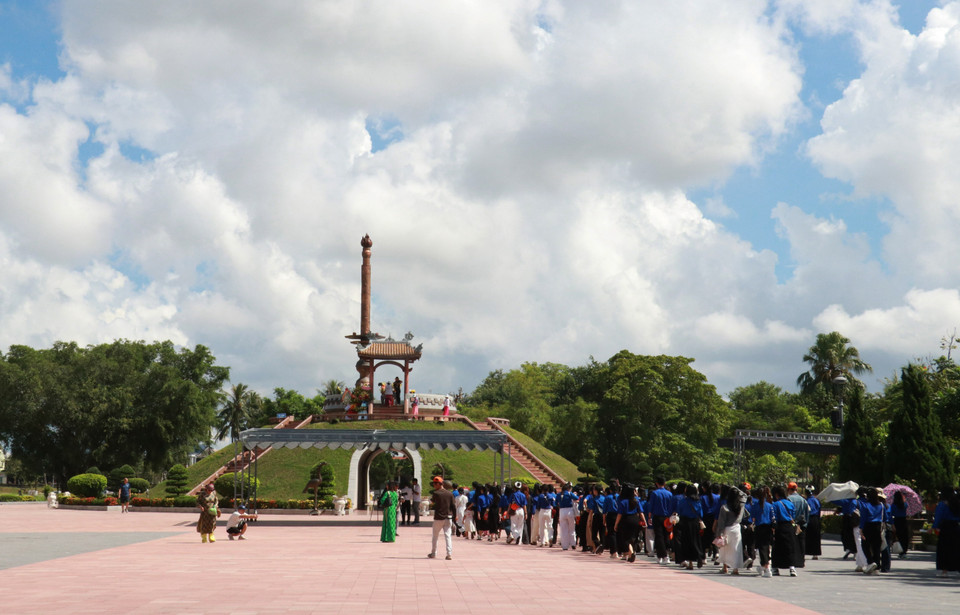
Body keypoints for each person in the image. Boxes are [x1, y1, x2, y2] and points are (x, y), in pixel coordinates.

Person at [715, 487, 746, 574]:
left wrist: (719, 533)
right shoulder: (741, 506)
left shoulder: (724, 507)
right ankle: (735, 569)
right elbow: (744, 495)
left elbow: (721, 522)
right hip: (736, 528)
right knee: (736, 548)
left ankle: (725, 567)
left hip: (727, 529)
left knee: (725, 548)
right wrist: (735, 488)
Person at [933, 486, 960, 577]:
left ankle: (944, 571)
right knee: (955, 549)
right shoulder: (957, 503)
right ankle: (956, 569)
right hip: (955, 527)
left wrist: (934, 527)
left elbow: (938, 517)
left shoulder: (942, 504)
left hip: (945, 528)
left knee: (944, 550)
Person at [770, 485, 797, 576]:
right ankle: (792, 568)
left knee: (777, 548)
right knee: (790, 547)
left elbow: (774, 517)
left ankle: (775, 568)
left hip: (779, 527)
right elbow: (793, 515)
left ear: (776, 494)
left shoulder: (775, 504)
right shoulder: (790, 503)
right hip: (789, 527)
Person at [676, 483, 704, 570]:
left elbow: (679, 511)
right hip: (695, 522)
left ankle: (691, 563)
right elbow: (701, 513)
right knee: (696, 540)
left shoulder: (683, 501)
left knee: (687, 542)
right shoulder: (698, 501)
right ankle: (700, 557)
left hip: (685, 522)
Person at [428, 477, 456, 560]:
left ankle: (433, 553)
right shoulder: (450, 494)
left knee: (435, 536)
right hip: (448, 517)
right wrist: (455, 515)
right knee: (448, 536)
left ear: (441, 484)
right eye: (434, 483)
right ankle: (449, 554)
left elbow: (432, 502)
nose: (434, 485)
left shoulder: (436, 493)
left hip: (438, 518)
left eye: (436, 483)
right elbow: (453, 506)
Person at [858, 487, 885, 574]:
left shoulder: (866, 505)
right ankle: (877, 566)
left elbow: (863, 518)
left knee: (865, 545)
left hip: (868, 526)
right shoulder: (881, 505)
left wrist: (861, 528)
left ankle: (870, 562)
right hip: (877, 526)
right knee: (876, 547)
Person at [648, 477, 674, 565]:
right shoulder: (669, 494)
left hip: (657, 516)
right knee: (666, 536)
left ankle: (662, 556)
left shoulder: (654, 493)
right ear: (665, 483)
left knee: (659, 536)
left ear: (656, 483)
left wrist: (649, 516)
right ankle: (664, 555)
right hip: (667, 517)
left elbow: (651, 506)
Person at [750, 486, 775, 577]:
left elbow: (753, 518)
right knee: (766, 548)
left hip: (759, 528)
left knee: (761, 548)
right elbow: (773, 518)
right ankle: (764, 566)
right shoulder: (769, 505)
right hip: (768, 528)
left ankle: (766, 567)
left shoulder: (754, 506)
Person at [613, 484, 642, 562]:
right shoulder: (636, 500)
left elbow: (619, 514)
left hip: (625, 519)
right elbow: (640, 512)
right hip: (635, 519)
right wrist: (644, 521)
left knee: (626, 538)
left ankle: (631, 553)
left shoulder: (622, 501)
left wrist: (616, 524)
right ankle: (632, 553)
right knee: (633, 537)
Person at [786, 482, 809, 568]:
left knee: (793, 543)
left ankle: (794, 561)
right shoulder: (803, 500)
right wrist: (805, 524)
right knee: (801, 543)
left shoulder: (788, 499)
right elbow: (807, 513)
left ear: (789, 490)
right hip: (802, 524)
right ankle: (801, 561)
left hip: (792, 524)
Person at [890, 490, 910, 559]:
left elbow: (891, 514)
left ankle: (900, 551)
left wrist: (892, 524)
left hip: (897, 521)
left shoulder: (893, 505)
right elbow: (906, 506)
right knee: (905, 536)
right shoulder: (904, 504)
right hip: (904, 520)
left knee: (899, 536)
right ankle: (904, 551)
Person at [804, 486, 822, 559]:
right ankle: (815, 554)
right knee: (816, 537)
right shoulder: (817, 500)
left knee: (807, 537)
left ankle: (805, 552)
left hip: (808, 519)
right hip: (816, 519)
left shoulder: (806, 501)